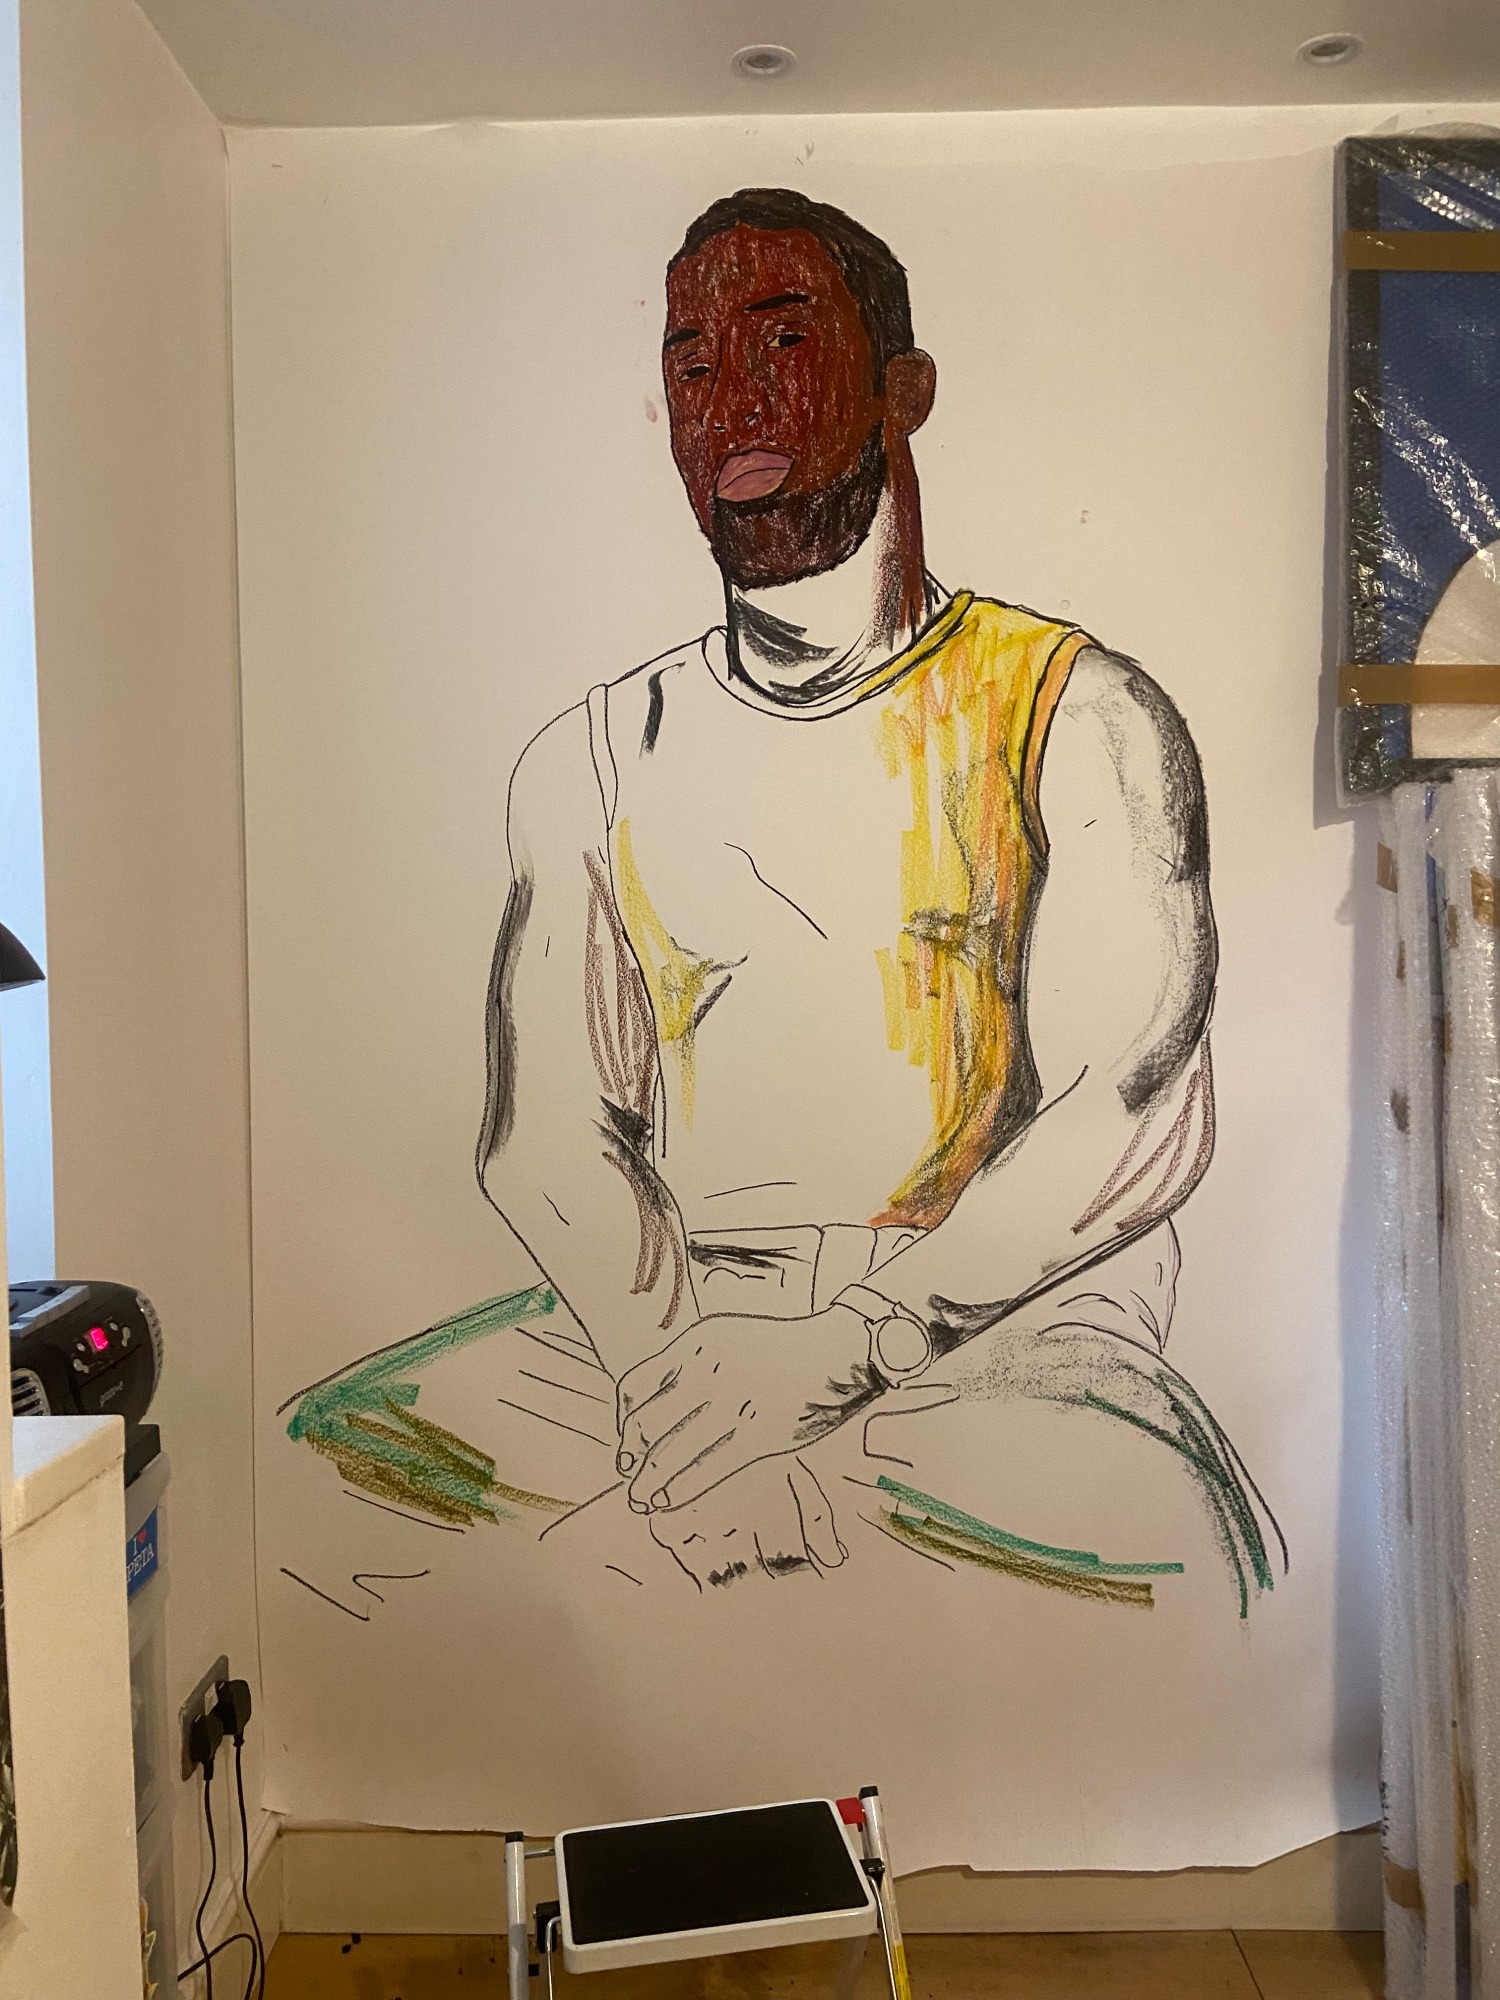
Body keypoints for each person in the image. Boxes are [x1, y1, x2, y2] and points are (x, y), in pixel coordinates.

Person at [476, 187, 1275, 1600]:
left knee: (1157, 1552)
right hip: (673, 1330)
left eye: (783, 342)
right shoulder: (590, 760)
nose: (730, 401)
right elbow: (543, 1138)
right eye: (690, 365)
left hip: (1004, 1335)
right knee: (386, 1482)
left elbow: (1139, 1107)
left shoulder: (1079, 714)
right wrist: (686, 1386)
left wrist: (847, 1351)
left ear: (904, 392)